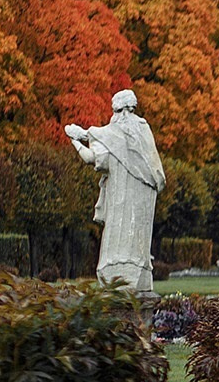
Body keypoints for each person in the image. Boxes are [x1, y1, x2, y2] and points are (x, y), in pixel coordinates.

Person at [64, 89, 165, 291]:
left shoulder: (112, 135)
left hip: (121, 203)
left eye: (115, 111)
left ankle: (120, 275)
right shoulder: (144, 131)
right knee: (136, 241)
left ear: (120, 111)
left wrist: (75, 139)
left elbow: (91, 157)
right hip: (142, 204)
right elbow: (156, 173)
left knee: (118, 239)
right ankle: (136, 275)